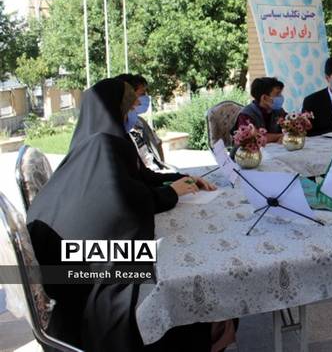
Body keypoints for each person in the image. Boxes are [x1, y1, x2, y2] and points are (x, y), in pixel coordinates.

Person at [27, 79, 229, 351]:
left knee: (177, 256)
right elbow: (126, 204)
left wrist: (180, 180)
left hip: (62, 260)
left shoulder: (94, 140)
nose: (136, 112)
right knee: (182, 271)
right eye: (132, 107)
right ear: (118, 111)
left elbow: (138, 181)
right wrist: (171, 194)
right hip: (83, 272)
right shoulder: (104, 145)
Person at [115, 74, 167, 171]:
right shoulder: (113, 132)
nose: (140, 102)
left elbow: (157, 144)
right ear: (126, 96)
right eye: (142, 94)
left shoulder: (140, 122)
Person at [233, 77, 286, 143]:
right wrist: (279, 136)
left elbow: (291, 128)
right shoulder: (246, 114)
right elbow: (251, 138)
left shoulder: (279, 111)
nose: (281, 97)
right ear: (264, 98)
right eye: (277, 94)